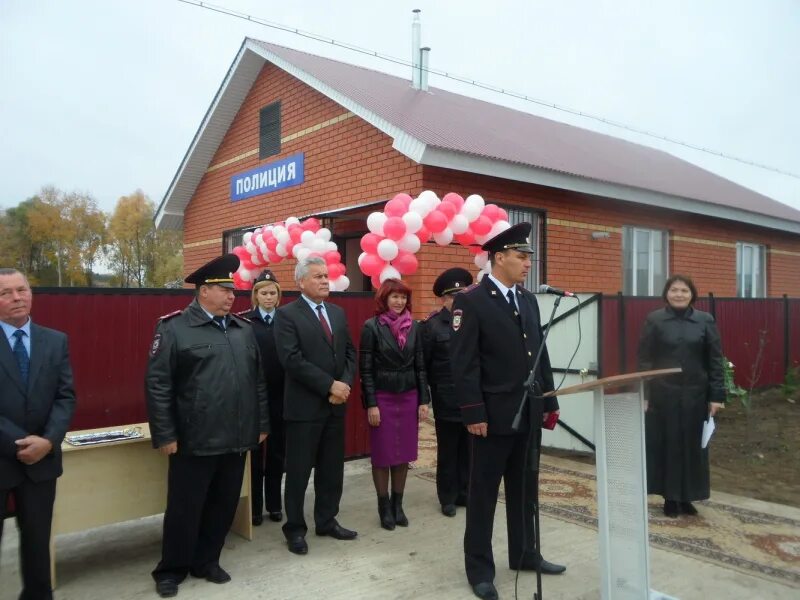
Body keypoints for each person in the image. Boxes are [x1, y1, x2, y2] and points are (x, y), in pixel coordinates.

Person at [450, 223, 566, 600]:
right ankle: (480, 569)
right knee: (483, 495)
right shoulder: (472, 300)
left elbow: (540, 354)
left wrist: (549, 400)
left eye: (528, 256)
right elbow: (463, 364)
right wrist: (473, 412)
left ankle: (525, 553)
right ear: (499, 258)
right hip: (492, 417)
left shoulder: (527, 300)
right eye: (521, 256)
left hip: (528, 413)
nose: (528, 263)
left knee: (525, 491)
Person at [145, 254, 269, 598]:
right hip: (193, 438)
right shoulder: (174, 328)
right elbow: (158, 384)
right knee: (186, 507)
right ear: (203, 292)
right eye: (224, 290)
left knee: (223, 504)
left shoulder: (243, 330)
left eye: (233, 291)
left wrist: (260, 423)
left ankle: (207, 561)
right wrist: (165, 433)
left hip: (236, 435)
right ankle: (171, 568)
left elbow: (257, 380)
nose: (232, 296)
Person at [0, 268, 76, 600]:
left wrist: (48, 440)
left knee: (37, 540)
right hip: (1, 456)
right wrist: (17, 443)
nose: (16, 298)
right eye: (5, 293)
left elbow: (65, 396)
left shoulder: (55, 340)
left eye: (22, 290)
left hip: (42, 461)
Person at [274, 256, 357, 555]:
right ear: (301, 282)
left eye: (326, 275)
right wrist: (328, 386)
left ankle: (327, 520)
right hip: (304, 409)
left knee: (331, 469)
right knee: (298, 472)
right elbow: (291, 360)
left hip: (336, 406)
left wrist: (343, 385)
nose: (325, 280)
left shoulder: (336, 312)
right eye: (318, 276)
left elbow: (350, 353)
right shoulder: (287, 316)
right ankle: (295, 529)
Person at [638, 274, 725, 518]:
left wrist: (716, 396)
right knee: (667, 446)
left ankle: (687, 497)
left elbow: (715, 360)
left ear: (692, 295)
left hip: (696, 396)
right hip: (662, 395)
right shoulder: (654, 320)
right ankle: (670, 498)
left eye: (684, 291)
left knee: (691, 448)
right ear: (666, 293)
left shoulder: (705, 321)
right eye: (674, 290)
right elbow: (645, 359)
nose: (679, 294)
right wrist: (644, 394)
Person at [359, 278, 430, 530]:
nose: (399, 302)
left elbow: (421, 365)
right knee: (382, 455)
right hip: (383, 397)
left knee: (403, 455)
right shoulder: (372, 327)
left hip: (409, 396)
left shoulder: (415, 327)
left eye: (402, 297)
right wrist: (371, 404)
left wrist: (424, 399)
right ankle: (383, 506)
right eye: (394, 297)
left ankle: (398, 505)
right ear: (384, 299)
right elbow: (365, 370)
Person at [421, 267, 473, 517]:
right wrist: (428, 396)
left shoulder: (472, 322)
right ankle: (447, 497)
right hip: (446, 398)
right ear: (444, 299)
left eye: (462, 295)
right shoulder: (432, 326)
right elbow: (424, 365)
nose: (458, 300)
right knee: (448, 449)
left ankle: (465, 492)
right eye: (453, 296)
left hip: (471, 398)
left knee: (469, 449)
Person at [243, 269, 286, 526]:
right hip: (255, 398)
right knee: (256, 455)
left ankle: (274, 504)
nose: (268, 297)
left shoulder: (286, 321)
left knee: (278, 455)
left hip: (281, 396)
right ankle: (256, 508)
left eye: (273, 293)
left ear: (278, 296)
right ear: (255, 295)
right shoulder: (246, 323)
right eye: (264, 292)